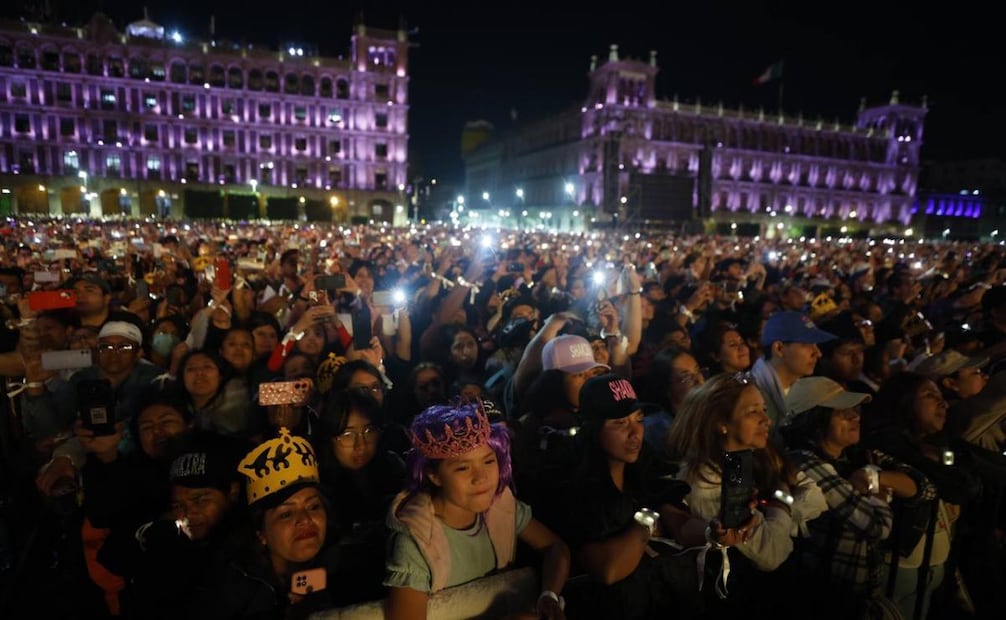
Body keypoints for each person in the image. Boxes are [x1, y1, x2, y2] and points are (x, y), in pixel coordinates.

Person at [384, 401, 570, 620]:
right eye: (463, 467)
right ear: (433, 476)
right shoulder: (417, 541)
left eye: (489, 461)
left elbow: (555, 547)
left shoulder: (500, 506)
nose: (481, 478)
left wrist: (548, 596)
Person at [667, 372, 827, 616]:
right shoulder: (707, 479)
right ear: (721, 423)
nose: (767, 420)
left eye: (764, 409)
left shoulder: (757, 455)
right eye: (753, 412)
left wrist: (776, 510)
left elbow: (816, 497)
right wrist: (783, 502)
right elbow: (771, 554)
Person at [780, 376, 934, 619]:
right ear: (815, 421)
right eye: (843, 412)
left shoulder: (858, 455)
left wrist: (871, 478)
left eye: (855, 409)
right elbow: (876, 527)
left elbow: (926, 488)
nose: (855, 417)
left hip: (859, 594)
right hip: (827, 597)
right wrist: (880, 496)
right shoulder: (804, 463)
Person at [547, 374, 699, 619]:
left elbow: (681, 523)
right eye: (619, 423)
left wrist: (717, 531)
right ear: (594, 429)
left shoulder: (644, 475)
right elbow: (609, 570)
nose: (635, 433)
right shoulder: (576, 492)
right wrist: (647, 524)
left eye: (638, 420)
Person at [195, 428, 355, 618]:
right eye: (286, 514)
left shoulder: (350, 567)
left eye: (313, 507)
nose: (305, 520)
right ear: (260, 533)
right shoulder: (231, 587)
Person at [750, 310, 836, 427]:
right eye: (807, 344)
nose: (818, 353)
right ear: (779, 348)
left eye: (816, 345)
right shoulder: (751, 401)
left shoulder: (809, 391)